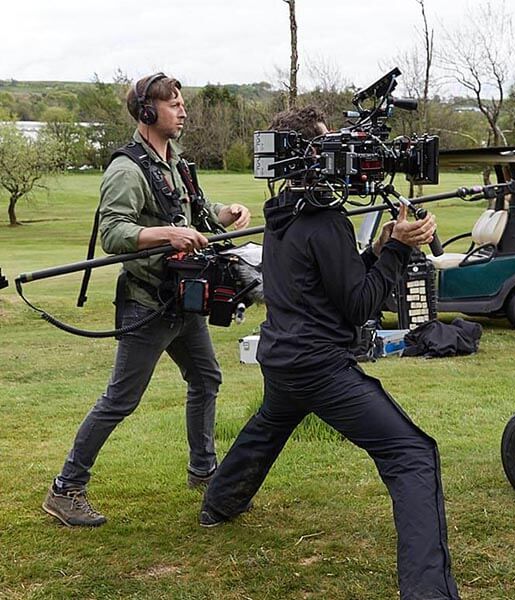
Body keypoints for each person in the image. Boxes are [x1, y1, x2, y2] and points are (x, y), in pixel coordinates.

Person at [201, 105, 461, 600]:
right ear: (307, 156)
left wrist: (383, 245)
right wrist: (400, 249)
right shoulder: (324, 222)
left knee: (268, 426)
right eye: (327, 148)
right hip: (319, 366)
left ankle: (220, 503)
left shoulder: (283, 214)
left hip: (283, 356)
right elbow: (359, 303)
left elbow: (327, 282)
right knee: (412, 454)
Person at [42, 73, 252, 526]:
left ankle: (204, 471)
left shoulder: (174, 161)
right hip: (147, 304)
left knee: (205, 378)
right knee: (121, 398)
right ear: (147, 113)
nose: (182, 110)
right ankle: (66, 487)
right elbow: (113, 233)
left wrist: (224, 212)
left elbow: (197, 209)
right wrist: (167, 233)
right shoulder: (126, 168)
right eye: (173, 104)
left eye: (181, 102)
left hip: (183, 299)